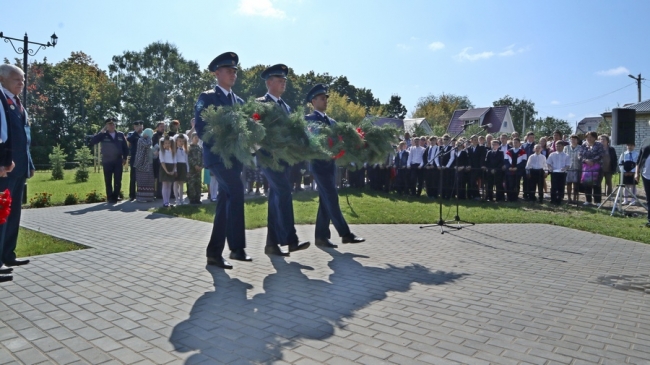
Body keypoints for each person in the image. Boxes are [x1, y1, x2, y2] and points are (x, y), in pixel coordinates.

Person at [195, 52, 251, 269]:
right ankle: (237, 248)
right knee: (236, 190)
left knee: (225, 202)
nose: (233, 74)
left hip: (235, 160)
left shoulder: (240, 102)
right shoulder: (207, 97)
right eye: (228, 70)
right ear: (217, 73)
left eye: (235, 70)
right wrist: (223, 138)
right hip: (217, 158)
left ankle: (213, 253)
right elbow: (201, 127)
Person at [256, 64, 310, 256]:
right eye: (280, 80)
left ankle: (271, 244)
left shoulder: (286, 107)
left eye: (284, 81)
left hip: (286, 160)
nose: (283, 83)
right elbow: (255, 132)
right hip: (269, 159)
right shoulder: (260, 104)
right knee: (284, 192)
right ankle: (291, 240)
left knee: (275, 198)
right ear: (269, 82)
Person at [304, 84, 365, 248]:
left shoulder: (332, 122)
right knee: (331, 197)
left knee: (326, 201)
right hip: (318, 165)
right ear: (313, 101)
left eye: (326, 98)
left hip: (331, 165)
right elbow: (312, 142)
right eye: (322, 98)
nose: (325, 101)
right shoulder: (308, 120)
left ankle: (321, 237)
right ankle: (345, 234)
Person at [0, 64, 29, 282]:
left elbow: (23, 138)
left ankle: (7, 255)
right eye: (16, 79)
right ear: (2, 78)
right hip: (4, 169)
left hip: (18, 167)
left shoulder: (17, 102)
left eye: (23, 79)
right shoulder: (1, 99)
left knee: (13, 214)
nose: (21, 83)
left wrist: (29, 164)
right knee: (1, 215)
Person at [90, 117, 129, 204]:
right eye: (110, 124)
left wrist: (125, 158)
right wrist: (101, 131)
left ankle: (116, 196)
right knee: (108, 179)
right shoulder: (103, 135)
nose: (112, 125)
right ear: (106, 125)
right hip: (107, 160)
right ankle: (110, 197)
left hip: (118, 160)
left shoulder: (120, 134)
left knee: (118, 179)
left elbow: (125, 148)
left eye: (113, 124)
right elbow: (93, 141)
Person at [579, 131, 605, 206]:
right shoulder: (584, 145)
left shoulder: (599, 145)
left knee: (596, 184)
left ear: (595, 137)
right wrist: (586, 160)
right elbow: (580, 155)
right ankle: (588, 200)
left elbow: (601, 154)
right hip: (586, 167)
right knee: (587, 184)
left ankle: (598, 201)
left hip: (597, 167)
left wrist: (593, 161)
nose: (589, 138)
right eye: (587, 137)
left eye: (591, 137)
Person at [134, 128, 155, 202]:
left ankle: (149, 197)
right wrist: (149, 137)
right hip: (141, 163)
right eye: (150, 134)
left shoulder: (148, 140)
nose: (151, 136)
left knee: (150, 180)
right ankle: (141, 197)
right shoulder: (141, 139)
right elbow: (147, 145)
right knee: (142, 181)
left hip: (148, 162)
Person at [504, 137, 527, 202]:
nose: (515, 144)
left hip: (518, 171)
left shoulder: (523, 152)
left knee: (516, 184)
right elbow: (506, 161)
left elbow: (524, 162)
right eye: (514, 142)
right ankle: (509, 197)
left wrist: (517, 167)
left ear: (519, 143)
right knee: (509, 184)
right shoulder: (508, 151)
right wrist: (509, 167)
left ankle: (515, 197)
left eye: (517, 142)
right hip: (509, 170)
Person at [127, 120, 143, 201]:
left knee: (142, 177)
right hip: (134, 157)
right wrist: (135, 132)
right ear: (134, 127)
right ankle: (132, 195)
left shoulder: (144, 134)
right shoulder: (131, 134)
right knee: (133, 177)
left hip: (143, 158)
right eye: (137, 126)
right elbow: (129, 139)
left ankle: (140, 193)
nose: (139, 127)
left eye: (140, 125)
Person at [634, 144, 650, 226]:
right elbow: (638, 162)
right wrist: (637, 173)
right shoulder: (646, 148)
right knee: (649, 198)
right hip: (646, 176)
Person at [158, 136, 176, 207]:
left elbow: (175, 162)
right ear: (163, 144)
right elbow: (162, 162)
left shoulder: (173, 152)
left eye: (169, 143)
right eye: (166, 143)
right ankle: (164, 201)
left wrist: (173, 170)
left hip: (171, 168)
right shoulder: (162, 151)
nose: (167, 144)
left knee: (169, 186)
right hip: (164, 168)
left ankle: (168, 201)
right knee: (165, 185)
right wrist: (166, 171)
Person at [467, 135, 486, 200]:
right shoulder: (469, 148)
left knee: (476, 182)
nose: (475, 141)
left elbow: (482, 157)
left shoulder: (481, 148)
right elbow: (468, 158)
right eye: (474, 140)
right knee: (471, 182)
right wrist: (469, 165)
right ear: (471, 140)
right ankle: (471, 195)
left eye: (476, 140)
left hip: (478, 167)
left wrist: (482, 165)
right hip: (471, 168)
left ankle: (477, 195)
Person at [187, 133, 204, 204]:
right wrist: (195, 165)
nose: (197, 139)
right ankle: (192, 198)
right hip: (192, 169)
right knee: (192, 184)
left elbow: (203, 158)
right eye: (195, 138)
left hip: (199, 169)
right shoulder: (189, 147)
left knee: (198, 184)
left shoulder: (200, 148)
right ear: (192, 138)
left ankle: (198, 198)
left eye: (198, 138)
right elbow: (189, 157)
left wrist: (201, 166)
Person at [565, 135, 582, 204]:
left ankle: (575, 198)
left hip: (577, 167)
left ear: (577, 140)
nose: (573, 141)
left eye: (574, 139)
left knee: (576, 184)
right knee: (568, 184)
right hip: (568, 168)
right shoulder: (566, 147)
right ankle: (569, 198)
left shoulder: (580, 147)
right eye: (571, 139)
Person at [173, 134, 189, 205]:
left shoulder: (185, 150)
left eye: (183, 141)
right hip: (177, 166)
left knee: (181, 183)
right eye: (180, 141)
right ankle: (177, 199)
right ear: (176, 141)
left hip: (183, 166)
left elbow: (186, 160)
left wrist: (188, 170)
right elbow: (174, 160)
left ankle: (181, 199)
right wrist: (175, 169)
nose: (181, 142)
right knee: (176, 183)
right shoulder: (175, 150)